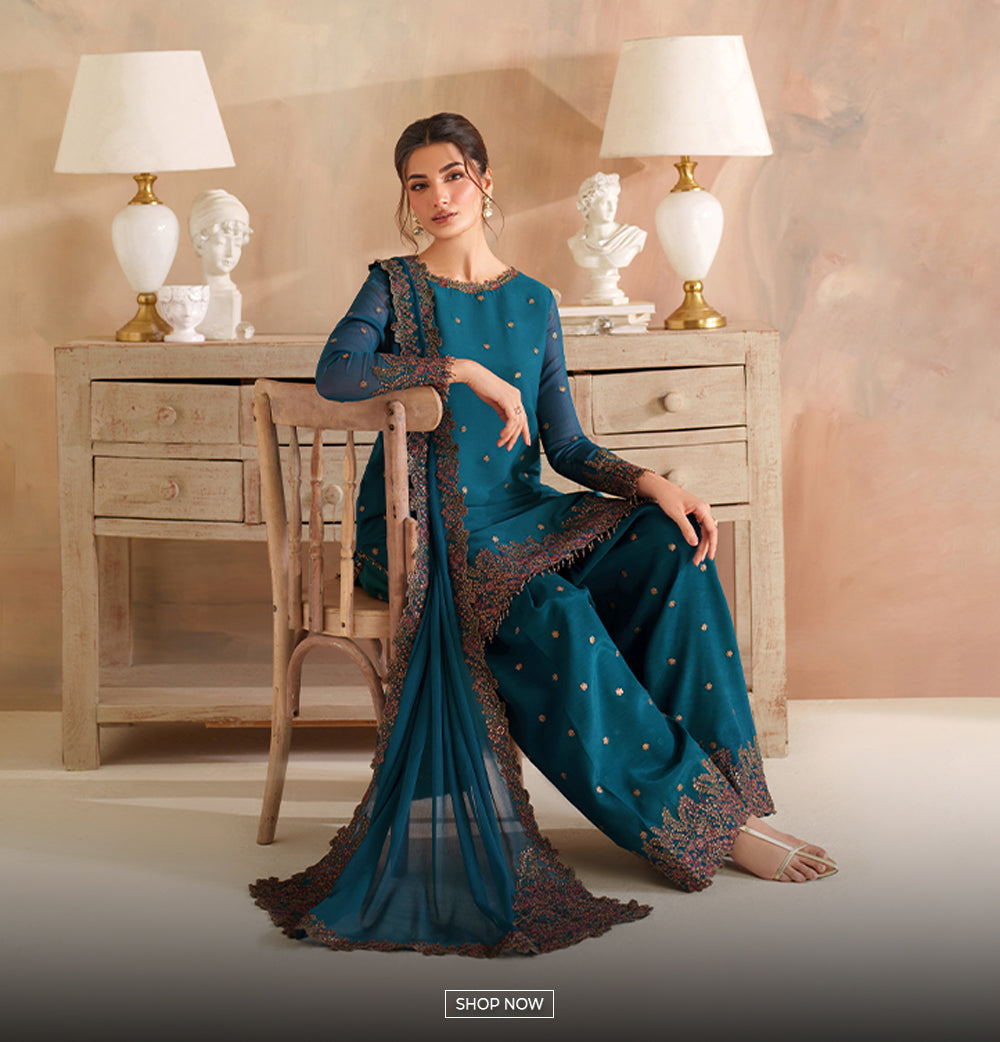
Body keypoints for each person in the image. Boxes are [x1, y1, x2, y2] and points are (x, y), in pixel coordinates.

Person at [250, 113, 836, 957]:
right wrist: (461, 370)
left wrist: (653, 482)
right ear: (406, 198)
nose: (438, 196)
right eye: (419, 183)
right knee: (552, 607)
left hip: (520, 511)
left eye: (454, 176)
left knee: (669, 542)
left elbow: (565, 448)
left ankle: (725, 797)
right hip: (421, 529)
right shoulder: (393, 286)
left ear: (486, 181)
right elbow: (336, 374)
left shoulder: (534, 301)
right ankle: (694, 824)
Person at [567, 171, 646, 305]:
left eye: (614, 201)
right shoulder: (577, 243)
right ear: (589, 205)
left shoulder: (632, 237)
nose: (612, 208)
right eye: (605, 202)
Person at [188, 188, 253, 339]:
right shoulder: (193, 299)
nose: (230, 253)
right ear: (199, 244)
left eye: (237, 244)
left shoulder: (231, 293)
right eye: (220, 243)